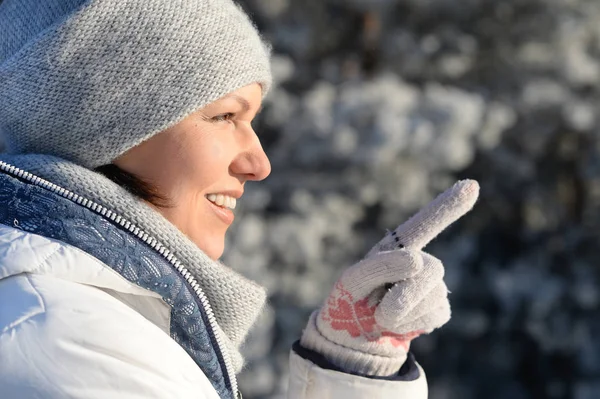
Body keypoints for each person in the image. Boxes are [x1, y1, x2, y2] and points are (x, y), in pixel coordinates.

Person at [0, 0, 479, 398]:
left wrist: (351, 364)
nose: (259, 163)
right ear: (104, 124)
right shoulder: (67, 341)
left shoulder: (79, 319)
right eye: (225, 116)